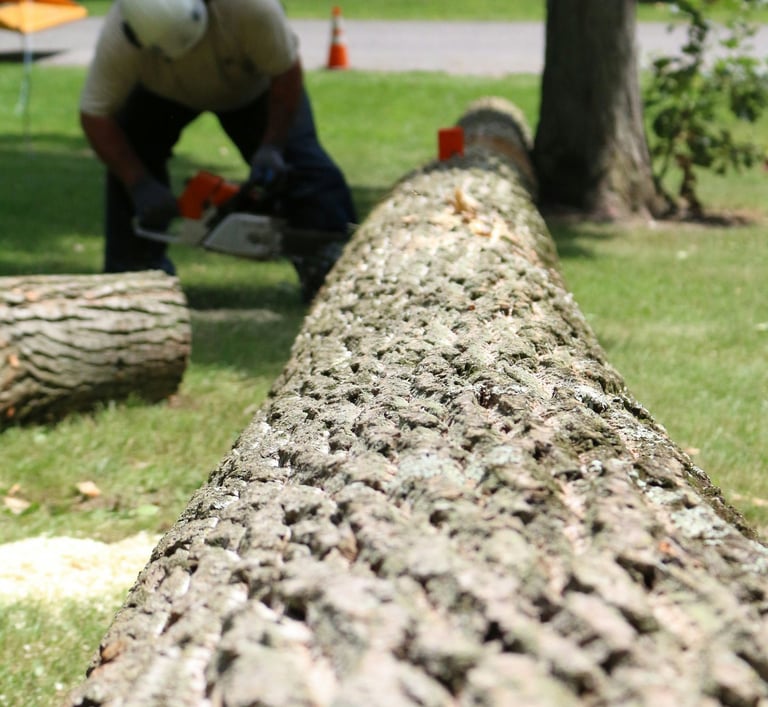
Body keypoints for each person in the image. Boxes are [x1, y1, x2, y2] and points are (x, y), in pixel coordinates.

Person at [79, 0, 357, 302]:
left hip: (254, 88)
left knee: (306, 170)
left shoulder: (254, 9)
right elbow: (95, 114)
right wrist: (139, 182)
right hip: (161, 95)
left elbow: (285, 71)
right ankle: (132, 280)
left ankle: (336, 271)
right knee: (129, 156)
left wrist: (272, 147)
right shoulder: (122, 31)